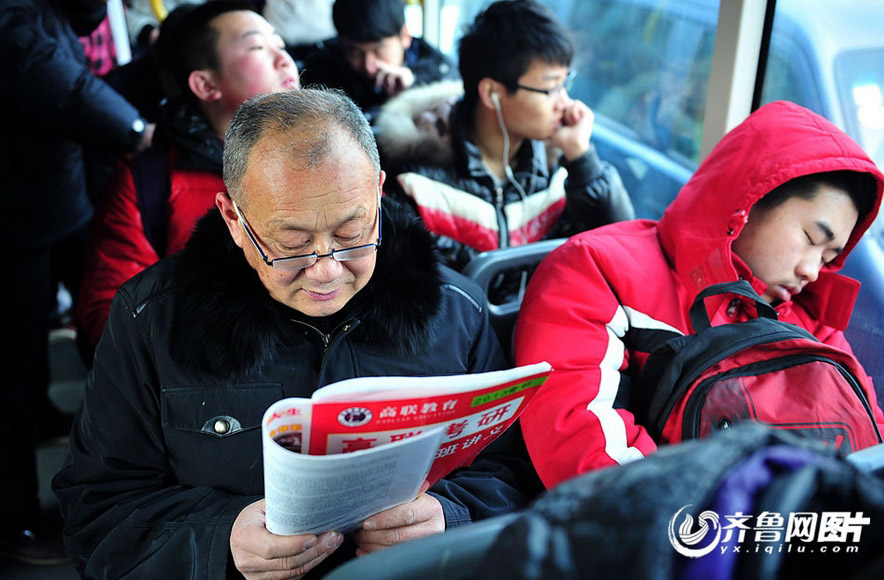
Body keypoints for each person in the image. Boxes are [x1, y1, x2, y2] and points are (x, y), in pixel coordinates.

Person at [53, 88, 542, 578]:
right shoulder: (151, 321)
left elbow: (514, 471)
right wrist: (220, 539)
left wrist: (448, 517)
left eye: (351, 234)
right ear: (234, 218)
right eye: (292, 245)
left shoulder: (457, 309)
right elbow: (96, 512)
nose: (326, 270)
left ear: (376, 191)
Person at [514, 100, 884, 489]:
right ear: (750, 199)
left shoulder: (810, 320)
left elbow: (864, 443)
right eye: (810, 239)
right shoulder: (599, 271)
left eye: (828, 257)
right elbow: (587, 452)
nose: (812, 271)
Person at [0, 0, 154, 565]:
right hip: (19, 215)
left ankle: (44, 417)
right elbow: (62, 85)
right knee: (12, 365)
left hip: (51, 200)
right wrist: (134, 129)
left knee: (34, 358)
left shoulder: (41, 17)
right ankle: (13, 521)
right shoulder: (16, 24)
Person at [75, 0, 301, 356]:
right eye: (258, 46)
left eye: (281, 45)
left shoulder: (331, 157)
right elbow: (107, 313)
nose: (284, 59)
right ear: (206, 84)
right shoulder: (149, 180)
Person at [374, 0, 634, 272]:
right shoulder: (417, 184)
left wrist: (584, 160)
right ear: (492, 94)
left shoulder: (559, 168)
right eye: (550, 90)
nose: (566, 103)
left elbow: (622, 251)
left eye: (564, 84)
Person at [300, 0, 455, 121]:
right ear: (341, 43)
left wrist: (413, 88)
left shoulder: (441, 71)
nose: (368, 66)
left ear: (405, 36)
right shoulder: (322, 67)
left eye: (379, 51)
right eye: (355, 52)